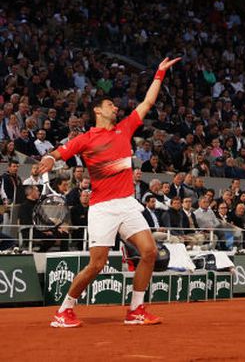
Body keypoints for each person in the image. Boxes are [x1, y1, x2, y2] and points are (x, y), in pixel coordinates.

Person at [33, 56, 180, 327]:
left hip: (127, 203)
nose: (116, 107)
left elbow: (147, 103)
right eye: (110, 105)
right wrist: (49, 160)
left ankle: (136, 309)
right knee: (97, 264)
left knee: (149, 252)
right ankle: (64, 310)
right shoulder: (86, 138)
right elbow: (60, 152)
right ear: (98, 111)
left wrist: (159, 73)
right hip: (102, 207)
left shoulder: (125, 129)